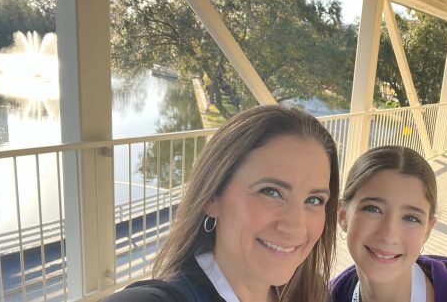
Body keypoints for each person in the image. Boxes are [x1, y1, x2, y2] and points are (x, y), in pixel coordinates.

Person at [105, 105, 340, 302]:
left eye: (314, 200)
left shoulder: (314, 292)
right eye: (271, 192)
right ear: (211, 197)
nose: (296, 227)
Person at [329, 145, 447, 302]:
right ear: (342, 215)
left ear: (427, 230)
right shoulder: (329, 295)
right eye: (373, 209)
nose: (389, 234)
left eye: (411, 218)